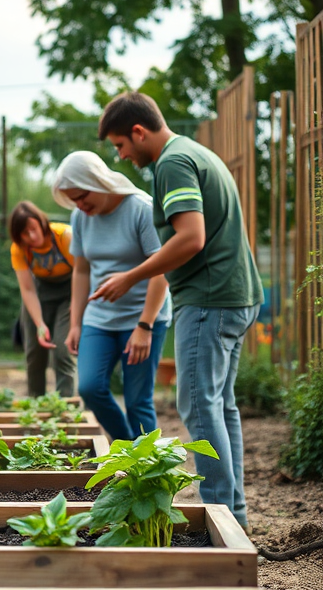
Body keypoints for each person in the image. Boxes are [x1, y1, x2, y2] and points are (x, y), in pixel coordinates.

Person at [92, 91, 263, 530]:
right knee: (221, 406)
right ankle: (233, 516)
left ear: (138, 131)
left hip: (209, 299)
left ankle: (219, 517)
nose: (122, 155)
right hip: (235, 295)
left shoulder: (171, 163)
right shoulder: (195, 152)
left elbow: (190, 238)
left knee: (200, 407)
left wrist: (130, 277)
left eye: (120, 145)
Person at [52, 151, 171, 441]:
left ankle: (149, 472)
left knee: (136, 400)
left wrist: (145, 326)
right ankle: (128, 448)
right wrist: (76, 323)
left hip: (143, 318)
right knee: (90, 388)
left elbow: (162, 269)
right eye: (73, 201)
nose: (80, 205)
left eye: (82, 197)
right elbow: (81, 271)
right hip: (100, 318)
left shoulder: (141, 208)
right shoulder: (80, 217)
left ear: (98, 182)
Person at [9, 202, 77, 397]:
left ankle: (65, 404)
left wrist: (78, 303)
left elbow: (83, 272)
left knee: (63, 349)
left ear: (41, 223)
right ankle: (36, 404)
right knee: (35, 353)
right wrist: (40, 324)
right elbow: (28, 290)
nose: (31, 236)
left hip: (70, 292)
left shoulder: (64, 236)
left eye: (33, 229)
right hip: (39, 294)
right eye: (24, 233)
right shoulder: (19, 249)